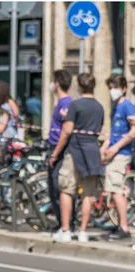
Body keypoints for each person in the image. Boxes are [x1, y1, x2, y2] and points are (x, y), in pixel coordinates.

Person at [50, 73, 104, 243]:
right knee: (88, 193)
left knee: (66, 189)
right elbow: (99, 129)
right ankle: (82, 231)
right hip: (93, 151)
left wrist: (55, 153)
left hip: (75, 150)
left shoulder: (75, 105)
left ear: (79, 87)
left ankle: (66, 230)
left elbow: (66, 131)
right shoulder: (99, 107)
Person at [100, 74, 135, 240]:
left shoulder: (127, 106)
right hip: (115, 153)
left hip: (121, 154)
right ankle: (120, 224)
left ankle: (123, 227)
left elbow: (133, 131)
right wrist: (105, 145)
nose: (112, 91)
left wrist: (115, 147)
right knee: (115, 190)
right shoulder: (115, 107)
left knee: (116, 191)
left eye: (115, 87)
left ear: (123, 89)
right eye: (111, 87)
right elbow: (114, 133)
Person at [47, 70, 73, 230]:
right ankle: (61, 222)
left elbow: (66, 131)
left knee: (58, 188)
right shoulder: (62, 102)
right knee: (54, 188)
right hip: (55, 147)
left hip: (60, 151)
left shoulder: (65, 103)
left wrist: (55, 153)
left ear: (57, 83)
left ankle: (66, 223)